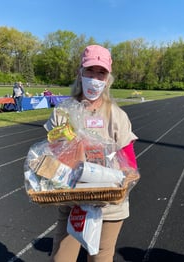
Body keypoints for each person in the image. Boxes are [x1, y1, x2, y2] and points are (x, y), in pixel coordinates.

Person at [44, 45, 138, 262]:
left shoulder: (117, 115)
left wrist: (124, 180)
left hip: (109, 206)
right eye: (90, 71)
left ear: (107, 79)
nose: (95, 78)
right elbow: (50, 155)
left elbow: (129, 162)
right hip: (72, 201)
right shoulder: (63, 112)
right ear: (80, 73)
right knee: (61, 258)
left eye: (101, 73)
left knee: (100, 258)